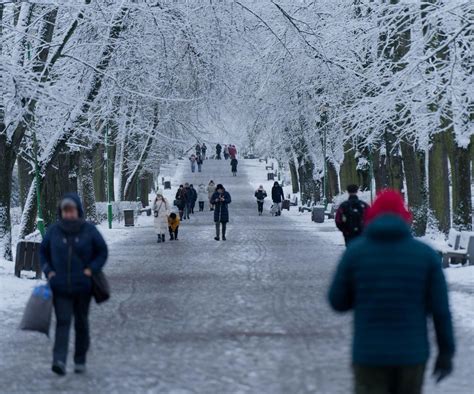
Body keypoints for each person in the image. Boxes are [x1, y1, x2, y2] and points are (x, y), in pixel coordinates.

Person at [328, 190, 455, 394]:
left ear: (371, 217)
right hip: (411, 354)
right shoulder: (425, 255)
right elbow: (441, 311)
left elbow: (337, 301)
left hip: (369, 354)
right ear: (405, 217)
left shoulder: (356, 253)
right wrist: (446, 353)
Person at [40, 193, 108, 376]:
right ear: (61, 212)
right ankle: (59, 361)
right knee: (63, 322)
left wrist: (91, 269)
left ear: (78, 211)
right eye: (65, 211)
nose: (68, 214)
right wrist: (48, 271)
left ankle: (79, 360)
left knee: (81, 323)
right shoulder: (54, 231)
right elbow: (43, 252)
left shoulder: (89, 230)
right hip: (60, 286)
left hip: (82, 287)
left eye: (72, 211)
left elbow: (102, 251)